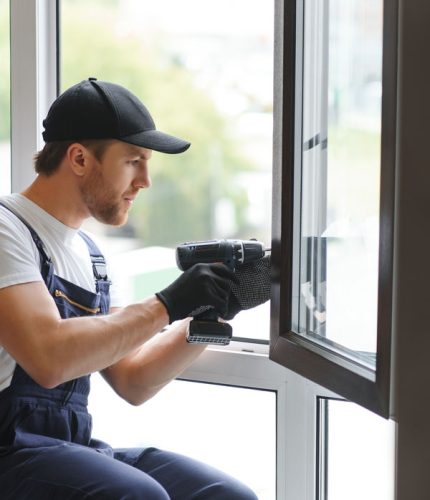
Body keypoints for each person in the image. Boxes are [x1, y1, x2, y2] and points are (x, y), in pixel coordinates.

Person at [0, 78, 270, 499]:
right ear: (79, 159)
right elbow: (47, 356)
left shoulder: (93, 258)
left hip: (67, 448)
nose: (144, 180)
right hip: (8, 451)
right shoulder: (7, 229)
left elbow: (134, 380)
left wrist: (210, 309)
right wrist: (168, 302)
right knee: (139, 496)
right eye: (133, 161)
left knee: (225, 494)